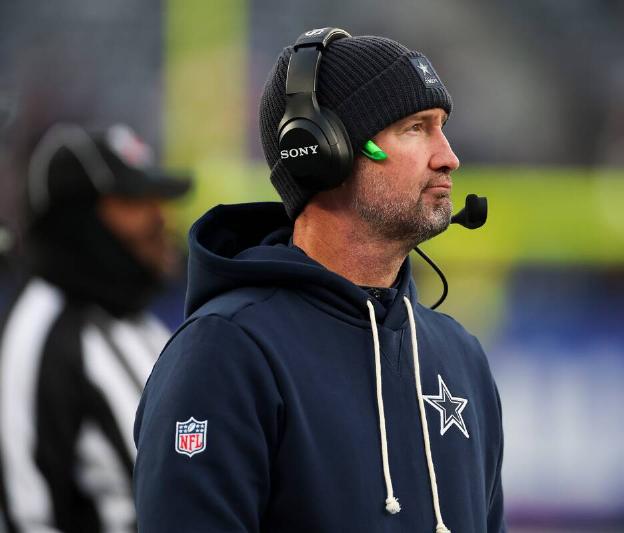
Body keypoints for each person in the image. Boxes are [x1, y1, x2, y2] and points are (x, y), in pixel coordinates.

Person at [134, 28, 505, 533]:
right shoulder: (226, 351)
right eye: (416, 128)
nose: (448, 156)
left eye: (441, 127)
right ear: (321, 150)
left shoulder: (460, 356)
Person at [0, 123, 191, 533]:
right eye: (134, 201)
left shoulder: (132, 315)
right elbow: (32, 516)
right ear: (79, 218)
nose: (160, 217)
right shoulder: (41, 332)